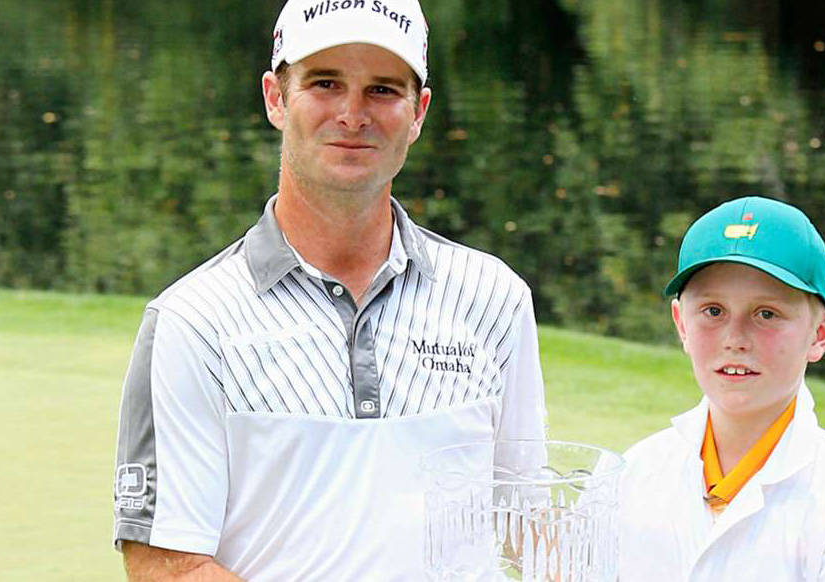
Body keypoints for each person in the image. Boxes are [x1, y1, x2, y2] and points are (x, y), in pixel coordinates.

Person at [111, 1, 547, 579]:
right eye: (324, 83)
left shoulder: (494, 298)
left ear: (418, 112)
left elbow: (528, 524)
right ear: (275, 97)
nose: (352, 114)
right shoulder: (193, 321)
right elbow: (167, 562)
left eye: (383, 91)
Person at [618, 196, 825, 580]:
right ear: (681, 323)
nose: (735, 339)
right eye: (713, 311)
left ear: (821, 333)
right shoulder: (633, 474)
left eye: (767, 314)